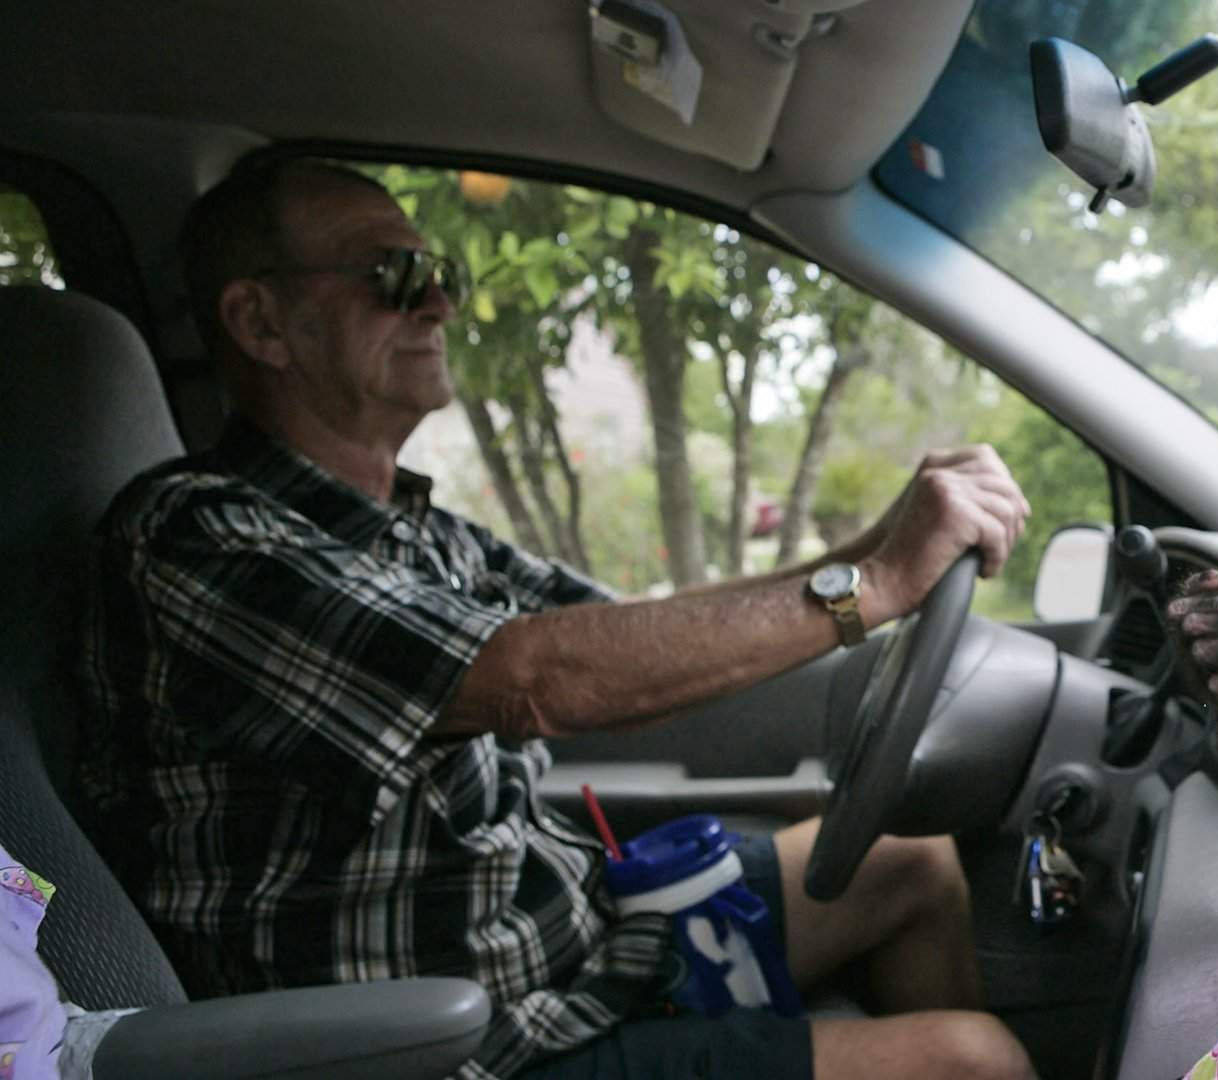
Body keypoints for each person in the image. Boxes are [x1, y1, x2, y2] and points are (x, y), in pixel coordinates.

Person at [77, 159, 1038, 1080]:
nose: (440, 303)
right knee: (975, 1065)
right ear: (262, 323)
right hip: (449, 1047)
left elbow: (634, 635)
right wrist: (869, 587)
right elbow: (534, 679)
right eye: (394, 275)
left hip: (575, 952)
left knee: (912, 861)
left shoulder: (417, 534)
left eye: (439, 274)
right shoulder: (201, 538)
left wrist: (868, 550)